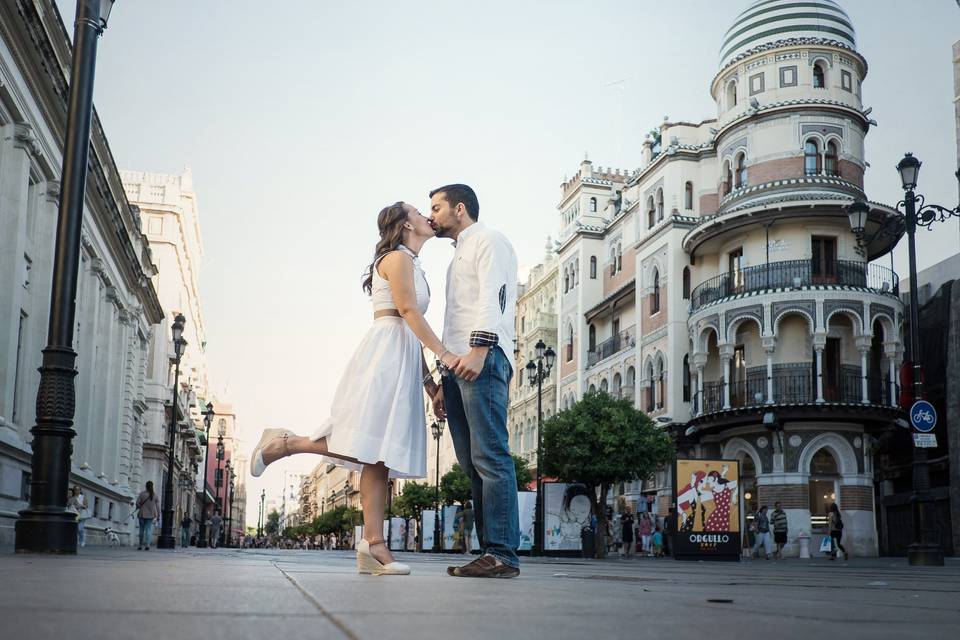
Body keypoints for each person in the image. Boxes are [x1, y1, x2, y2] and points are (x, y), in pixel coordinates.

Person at [249, 202, 455, 576]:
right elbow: (408, 313)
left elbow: (409, 328)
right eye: (418, 211)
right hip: (385, 358)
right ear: (405, 223)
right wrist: (445, 356)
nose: (427, 215)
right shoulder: (396, 259)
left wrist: (429, 384)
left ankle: (373, 546)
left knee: (377, 456)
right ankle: (285, 443)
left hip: (401, 355)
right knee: (366, 443)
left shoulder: (411, 262)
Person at [428, 184, 520, 579]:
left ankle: (502, 553)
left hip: (480, 358)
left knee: (491, 455)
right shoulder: (458, 255)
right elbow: (457, 316)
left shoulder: (488, 240)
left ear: (459, 208)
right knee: (471, 462)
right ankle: (490, 552)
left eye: (437, 207)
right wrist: (441, 380)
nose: (431, 215)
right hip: (457, 366)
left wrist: (480, 349)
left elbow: (493, 297)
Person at [135, 481, 160, 550]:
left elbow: (137, 503)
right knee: (148, 530)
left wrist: (139, 506)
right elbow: (158, 507)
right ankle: (147, 545)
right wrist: (158, 515)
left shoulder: (142, 494)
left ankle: (140, 545)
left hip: (142, 514)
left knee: (141, 530)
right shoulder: (155, 495)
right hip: (151, 515)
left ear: (146, 486)